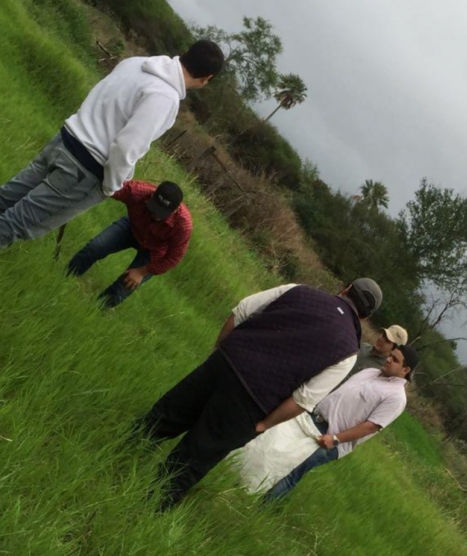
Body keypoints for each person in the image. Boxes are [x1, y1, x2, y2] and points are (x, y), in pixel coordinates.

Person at [132, 279, 383, 509]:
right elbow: (303, 399)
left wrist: (219, 353)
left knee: (163, 417)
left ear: (346, 288)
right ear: (363, 316)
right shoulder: (348, 352)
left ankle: (122, 451)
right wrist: (264, 424)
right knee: (194, 458)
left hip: (225, 363)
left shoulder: (299, 290)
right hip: (252, 402)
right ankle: (145, 508)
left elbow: (241, 311)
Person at [0, 40, 223, 249]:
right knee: (17, 223)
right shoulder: (166, 97)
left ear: (186, 53)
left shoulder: (136, 63)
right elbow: (127, 145)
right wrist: (111, 185)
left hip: (65, 140)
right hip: (85, 167)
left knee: (6, 197)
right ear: (207, 78)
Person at [233, 344, 419, 500]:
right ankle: (242, 481)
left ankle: (259, 506)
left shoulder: (396, 397)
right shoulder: (370, 372)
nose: (388, 359)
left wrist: (335, 439)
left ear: (405, 370)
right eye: (390, 356)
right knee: (276, 449)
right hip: (313, 418)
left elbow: (371, 426)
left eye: (395, 360)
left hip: (332, 439)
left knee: (292, 471)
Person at [66, 180, 192, 308]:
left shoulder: (183, 225)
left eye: (161, 213)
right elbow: (107, 188)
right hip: (131, 228)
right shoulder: (137, 191)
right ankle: (65, 277)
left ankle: (94, 309)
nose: (156, 216)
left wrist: (142, 272)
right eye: (154, 208)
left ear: (175, 209)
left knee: (124, 286)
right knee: (96, 247)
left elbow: (173, 258)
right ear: (153, 195)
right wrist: (73, 196)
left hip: (155, 250)